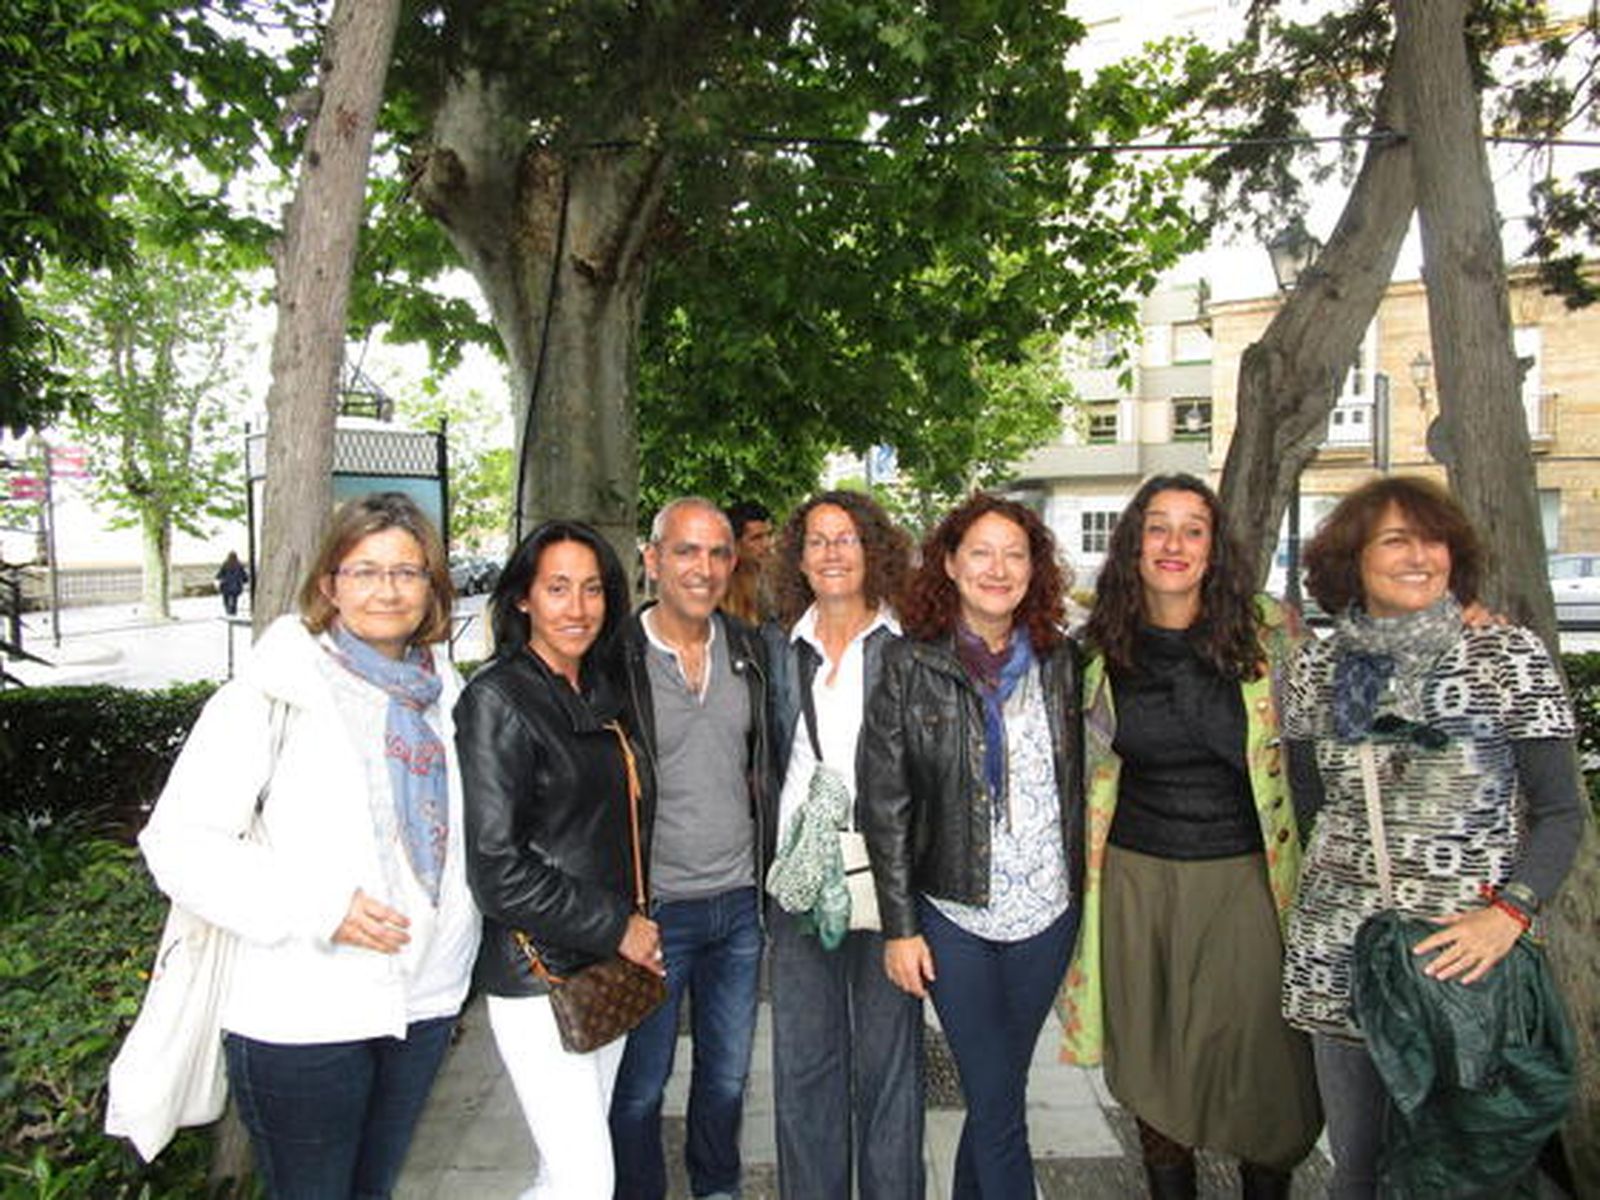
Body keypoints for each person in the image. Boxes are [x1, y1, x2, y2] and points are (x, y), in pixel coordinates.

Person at [139, 492, 479, 1199]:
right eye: (364, 571)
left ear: (432, 588)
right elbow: (177, 843)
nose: (387, 589)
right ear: (329, 584)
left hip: (424, 1000)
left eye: (408, 572)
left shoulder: (443, 694)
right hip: (304, 1009)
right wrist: (321, 906)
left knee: (373, 1189)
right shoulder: (272, 692)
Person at [1280, 475, 1583, 1198]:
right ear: (1353, 559)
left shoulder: (1504, 657)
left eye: (1433, 539)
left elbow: (1563, 813)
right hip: (1344, 960)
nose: (1421, 556)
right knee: (1356, 1168)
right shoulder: (1321, 668)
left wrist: (1508, 914)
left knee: (1466, 1172)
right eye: (1396, 539)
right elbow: (1315, 806)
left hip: (1460, 960)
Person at [1056, 474, 1320, 1199]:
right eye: (1157, 527)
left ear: (1215, 547)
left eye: (1193, 528)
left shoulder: (1273, 635)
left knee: (1265, 1068)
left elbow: (1336, 726)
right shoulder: (1100, 649)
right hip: (1137, 882)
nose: (1174, 544)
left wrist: (1460, 616)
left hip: (1247, 882)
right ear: (1133, 545)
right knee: (1153, 1061)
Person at [860, 491, 1083, 1200]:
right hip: (953, 914)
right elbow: (885, 804)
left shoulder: (1062, 661)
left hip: (1047, 914)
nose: (998, 568)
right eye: (980, 552)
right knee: (998, 1107)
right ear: (950, 564)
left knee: (998, 1093)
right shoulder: (907, 662)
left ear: (1034, 569)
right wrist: (900, 929)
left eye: (1015, 554)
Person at [456, 519, 664, 1199]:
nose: (577, 608)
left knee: (564, 1174)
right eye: (557, 588)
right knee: (586, 1181)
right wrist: (619, 925)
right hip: (539, 973)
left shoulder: (598, 689)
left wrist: (634, 927)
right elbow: (496, 868)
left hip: (606, 965)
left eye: (593, 589)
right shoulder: (497, 698)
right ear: (522, 598)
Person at [609, 497, 774, 1200]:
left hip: (738, 905)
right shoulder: (613, 659)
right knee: (641, 1088)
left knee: (728, 1076)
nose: (702, 569)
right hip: (654, 914)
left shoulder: (749, 651)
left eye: (716, 553)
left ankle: (717, 1186)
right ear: (652, 560)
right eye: (685, 551)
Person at [764, 490, 924, 1200]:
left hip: (887, 885)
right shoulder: (773, 647)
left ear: (873, 552)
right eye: (819, 540)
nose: (833, 552)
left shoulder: (909, 648)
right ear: (799, 558)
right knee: (803, 1064)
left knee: (890, 1066)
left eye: (848, 538)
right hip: (799, 879)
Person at [721, 499, 776, 625]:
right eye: (757, 538)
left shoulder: (778, 581)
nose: (768, 544)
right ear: (734, 543)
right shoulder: (716, 585)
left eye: (770, 535)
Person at [216, 550, 249, 616]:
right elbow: (245, 577)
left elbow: (218, 576)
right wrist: (244, 580)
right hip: (236, 588)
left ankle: (228, 612)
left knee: (226, 602)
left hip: (226, 588)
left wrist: (221, 579)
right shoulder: (239, 565)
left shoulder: (225, 564)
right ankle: (233, 613)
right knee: (234, 602)